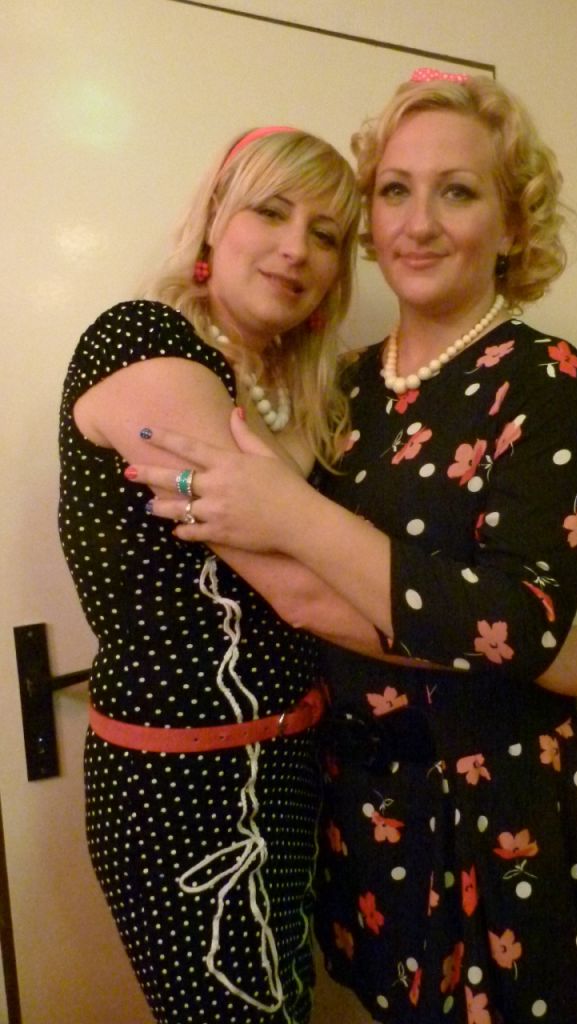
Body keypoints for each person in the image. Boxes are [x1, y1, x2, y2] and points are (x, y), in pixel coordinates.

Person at [126, 70, 577, 1023]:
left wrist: (290, 511)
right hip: (362, 806)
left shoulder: (545, 377)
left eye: (458, 191)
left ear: (512, 224)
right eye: (396, 190)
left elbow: (512, 620)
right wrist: (546, 654)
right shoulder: (341, 388)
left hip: (496, 810)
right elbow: (305, 594)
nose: (419, 223)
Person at [58, 125, 361, 1024]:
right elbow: (300, 589)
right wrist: (525, 652)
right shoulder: (144, 343)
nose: (296, 248)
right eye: (271, 211)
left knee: (288, 1003)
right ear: (214, 223)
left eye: (326, 233)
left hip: (288, 762)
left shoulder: (299, 390)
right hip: (180, 790)